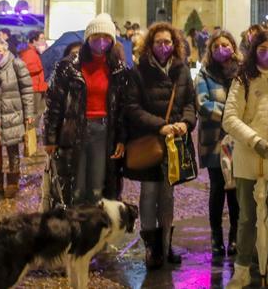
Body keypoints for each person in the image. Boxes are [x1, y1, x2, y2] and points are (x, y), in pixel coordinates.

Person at [223, 29, 268, 289]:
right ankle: (242, 269)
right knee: (246, 217)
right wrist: (254, 140)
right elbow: (230, 118)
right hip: (248, 157)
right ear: (254, 51)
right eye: (262, 49)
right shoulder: (243, 79)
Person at [122, 23, 197, 270]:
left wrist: (186, 123)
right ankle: (151, 248)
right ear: (150, 45)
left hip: (174, 143)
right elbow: (132, 108)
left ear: (174, 44)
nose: (163, 47)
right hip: (150, 141)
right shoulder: (139, 71)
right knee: (149, 194)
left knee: (168, 195)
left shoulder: (181, 70)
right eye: (158, 42)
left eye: (167, 42)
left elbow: (189, 103)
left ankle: (165, 245)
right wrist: (159, 126)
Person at [44, 16, 126, 206]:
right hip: (74, 130)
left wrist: (121, 138)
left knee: (97, 187)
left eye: (106, 37)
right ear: (88, 38)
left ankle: (93, 230)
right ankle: (75, 230)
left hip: (103, 131)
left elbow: (122, 106)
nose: (101, 41)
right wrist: (50, 137)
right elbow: (54, 103)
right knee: (76, 187)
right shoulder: (69, 65)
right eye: (96, 36)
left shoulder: (117, 68)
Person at [197, 30, 242, 259]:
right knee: (217, 188)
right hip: (213, 139)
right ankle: (216, 237)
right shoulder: (204, 74)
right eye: (215, 46)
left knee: (235, 190)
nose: (221, 49)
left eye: (225, 45)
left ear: (233, 46)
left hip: (238, 141)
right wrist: (232, 115)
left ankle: (235, 235)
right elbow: (203, 104)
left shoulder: (242, 72)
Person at [0, 36, 34, 198]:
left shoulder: (16, 64)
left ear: (5, 50)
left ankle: (12, 182)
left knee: (12, 149)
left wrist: (29, 114)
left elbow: (27, 89)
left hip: (13, 114)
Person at [21, 30, 48, 123]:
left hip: (39, 87)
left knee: (39, 112)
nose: (44, 41)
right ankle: (32, 134)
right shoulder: (29, 53)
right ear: (34, 40)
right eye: (41, 39)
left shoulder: (35, 52)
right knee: (34, 113)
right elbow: (26, 68)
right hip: (34, 88)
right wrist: (41, 66)